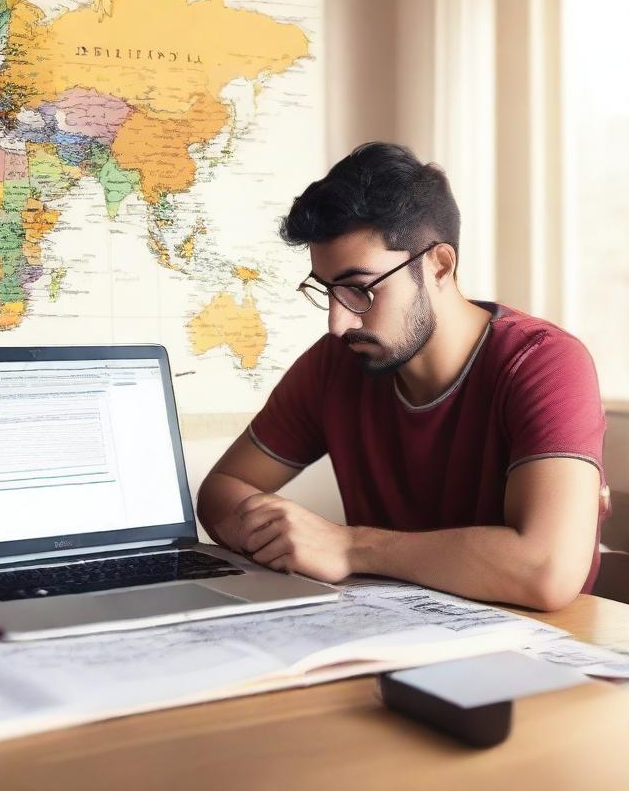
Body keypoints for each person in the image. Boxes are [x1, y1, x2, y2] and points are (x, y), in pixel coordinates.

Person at [197, 142, 608, 611]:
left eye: (359, 289)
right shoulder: (338, 362)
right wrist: (284, 536)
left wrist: (349, 547)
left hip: (536, 652)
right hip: (386, 632)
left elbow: (545, 571)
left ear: (439, 265)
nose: (338, 322)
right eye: (326, 290)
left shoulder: (545, 363)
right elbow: (222, 487)